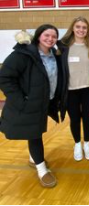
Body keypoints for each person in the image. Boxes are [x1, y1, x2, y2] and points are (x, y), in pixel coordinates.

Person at [0, 25, 62, 188]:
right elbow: (5, 78)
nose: (50, 39)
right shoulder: (23, 55)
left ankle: (33, 158)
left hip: (45, 102)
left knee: (34, 131)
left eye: (54, 36)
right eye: (46, 35)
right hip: (30, 103)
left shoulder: (54, 55)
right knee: (35, 134)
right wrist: (21, 100)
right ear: (38, 36)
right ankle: (42, 170)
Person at [58, 17, 89, 162]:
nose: (81, 30)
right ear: (73, 28)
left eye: (84, 27)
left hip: (88, 89)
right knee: (74, 118)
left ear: (88, 29)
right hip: (70, 91)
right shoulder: (63, 46)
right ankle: (77, 144)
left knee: (88, 117)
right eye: (78, 27)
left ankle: (87, 143)